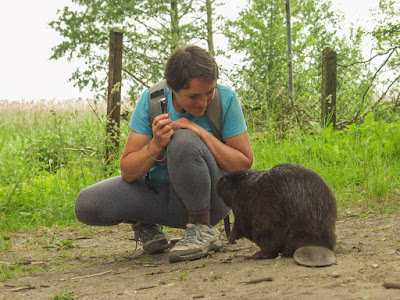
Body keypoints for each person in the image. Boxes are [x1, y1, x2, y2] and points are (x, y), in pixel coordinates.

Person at [75, 45, 253, 262]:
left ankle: (202, 229)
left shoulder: (226, 99)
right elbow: (129, 172)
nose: (204, 103)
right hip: (162, 197)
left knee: (183, 139)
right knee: (88, 204)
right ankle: (147, 223)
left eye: (209, 92)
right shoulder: (151, 100)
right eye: (194, 96)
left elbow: (243, 166)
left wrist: (198, 132)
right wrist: (156, 144)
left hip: (211, 200)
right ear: (172, 88)